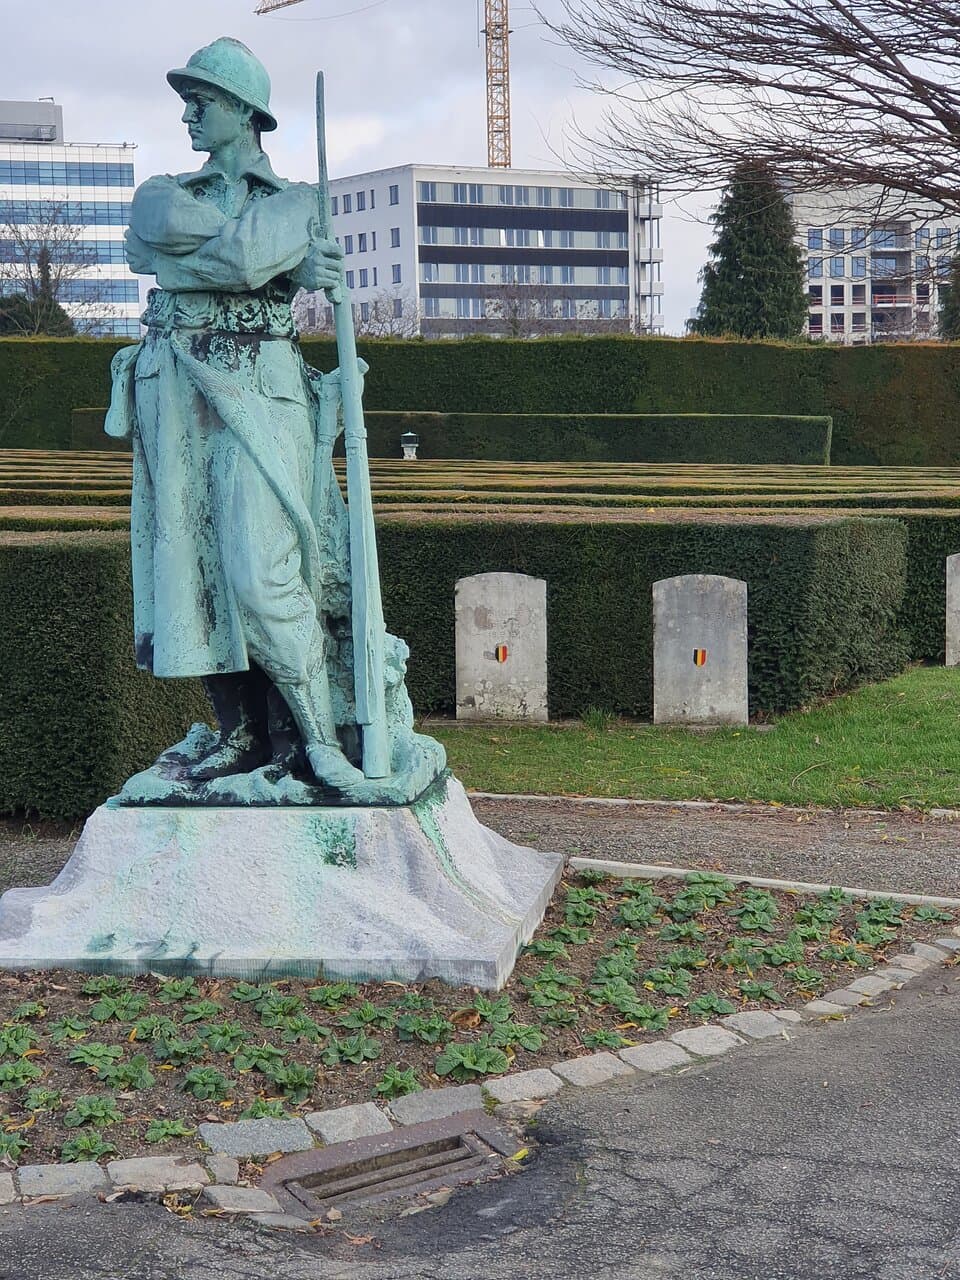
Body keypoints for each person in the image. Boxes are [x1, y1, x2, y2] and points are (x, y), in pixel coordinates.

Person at [106, 37, 368, 791]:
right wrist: (266, 261)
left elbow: (237, 261)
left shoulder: (299, 203)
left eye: (204, 101)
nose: (188, 114)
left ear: (246, 113)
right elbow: (219, 254)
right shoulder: (160, 191)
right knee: (188, 568)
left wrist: (207, 262)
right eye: (186, 101)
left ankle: (317, 739)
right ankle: (242, 734)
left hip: (261, 388)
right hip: (175, 390)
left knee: (259, 571)